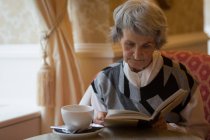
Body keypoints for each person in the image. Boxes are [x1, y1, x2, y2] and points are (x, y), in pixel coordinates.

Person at [80, 0, 210, 138]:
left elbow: (199, 132)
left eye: (146, 46)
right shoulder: (105, 79)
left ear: (157, 41)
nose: (137, 54)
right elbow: (82, 128)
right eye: (129, 44)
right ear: (119, 38)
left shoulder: (180, 76)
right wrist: (96, 122)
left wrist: (169, 128)